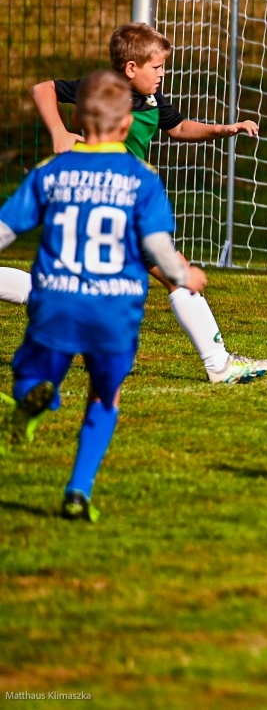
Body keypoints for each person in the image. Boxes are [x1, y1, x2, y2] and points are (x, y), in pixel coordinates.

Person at [0, 70, 205, 521]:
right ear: (127, 126)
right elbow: (155, 245)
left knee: (30, 378)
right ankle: (77, 491)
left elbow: (7, 228)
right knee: (103, 397)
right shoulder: (142, 178)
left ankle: (38, 397)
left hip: (55, 303)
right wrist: (183, 274)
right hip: (114, 309)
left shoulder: (51, 171)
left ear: (79, 118)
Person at [24, 22, 267, 384]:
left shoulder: (153, 101)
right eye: (156, 67)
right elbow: (43, 88)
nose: (162, 74)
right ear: (130, 68)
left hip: (118, 205)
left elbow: (180, 127)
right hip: (114, 204)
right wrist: (59, 131)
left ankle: (214, 363)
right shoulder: (104, 93)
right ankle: (218, 364)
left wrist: (224, 129)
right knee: (178, 276)